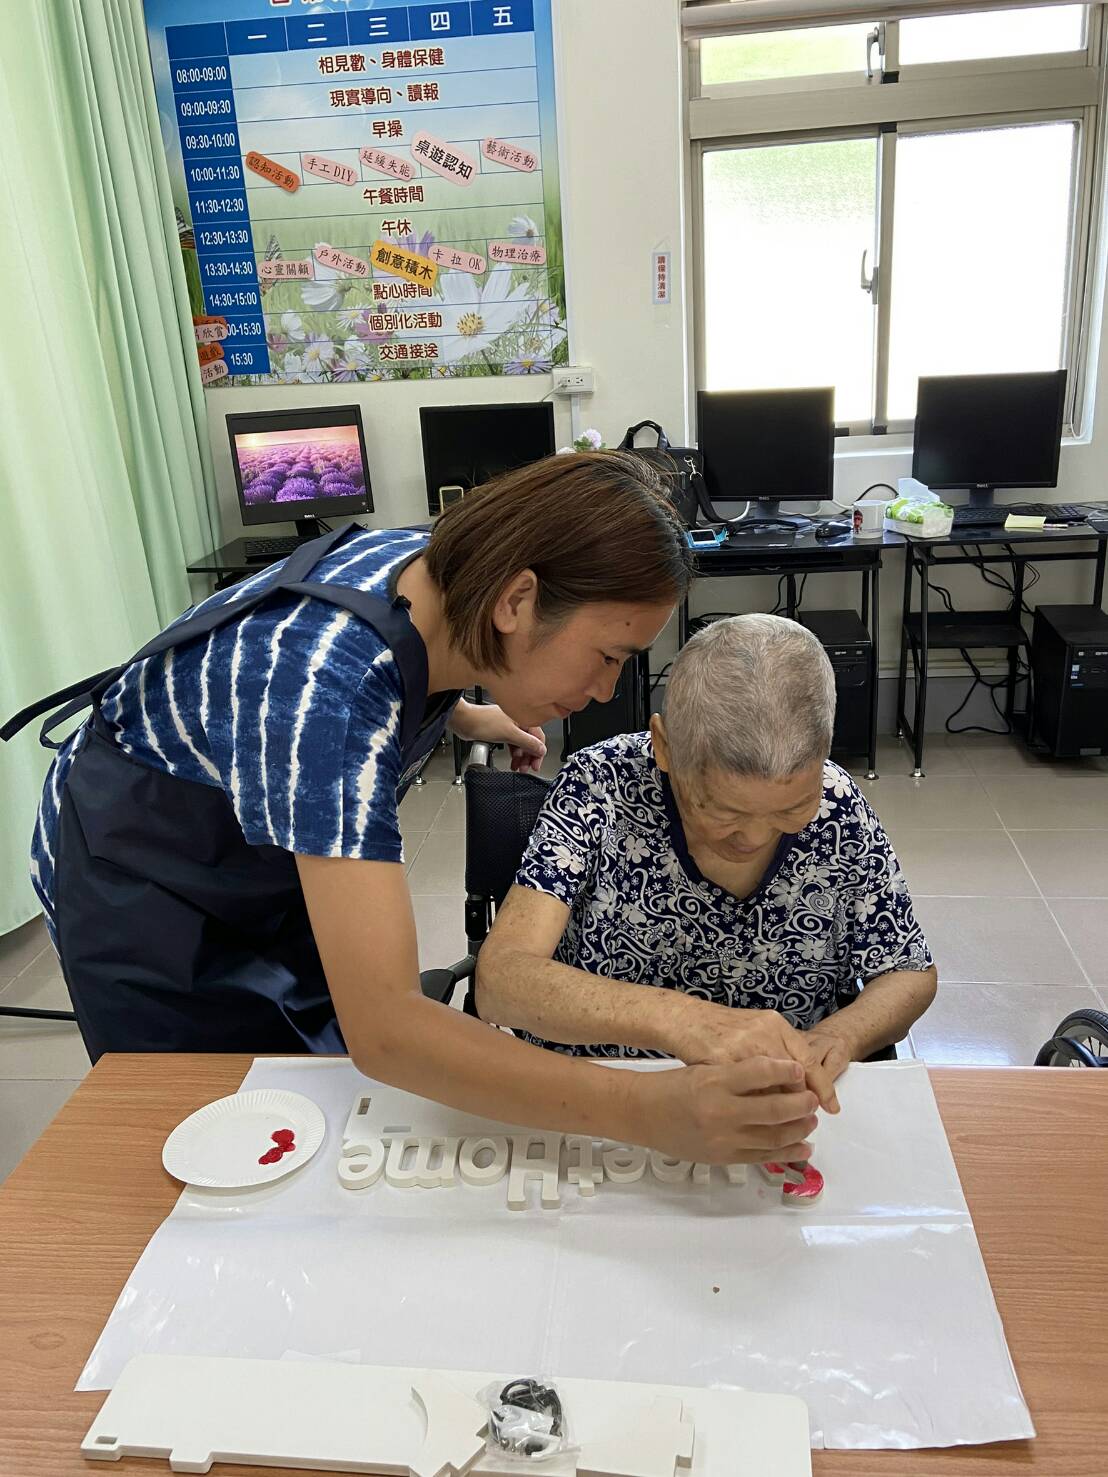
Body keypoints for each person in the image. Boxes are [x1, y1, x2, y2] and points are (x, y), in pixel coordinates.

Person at [2, 455, 829, 1167]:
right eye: (607, 655)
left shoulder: (443, 569)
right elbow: (389, 1028)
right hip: (140, 881)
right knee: (211, 1138)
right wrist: (646, 1112)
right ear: (519, 602)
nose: (606, 691)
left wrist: (468, 712)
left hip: (247, 845)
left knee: (313, 1095)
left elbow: (399, 664)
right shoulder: (322, 695)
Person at [475, 613, 937, 1083]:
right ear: (664, 746)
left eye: (791, 807)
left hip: (772, 1094)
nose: (756, 837)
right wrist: (684, 1021)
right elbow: (502, 979)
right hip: (606, 1088)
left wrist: (839, 1036)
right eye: (723, 810)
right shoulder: (601, 787)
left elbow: (907, 972)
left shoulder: (838, 807)